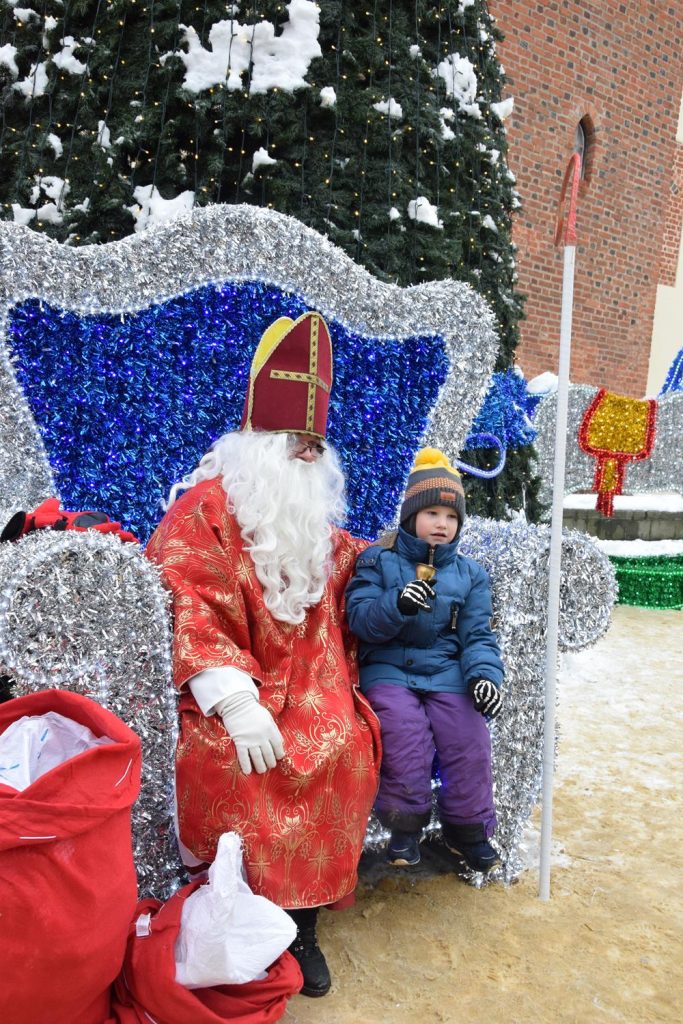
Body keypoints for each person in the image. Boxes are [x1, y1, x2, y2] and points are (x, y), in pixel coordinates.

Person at [146, 311, 381, 998]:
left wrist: (406, 560)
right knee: (240, 761)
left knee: (344, 742)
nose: (308, 454)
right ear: (256, 441)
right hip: (231, 690)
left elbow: (349, 565)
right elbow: (187, 596)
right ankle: (236, 917)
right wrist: (234, 699)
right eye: (294, 441)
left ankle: (302, 923)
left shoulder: (308, 522)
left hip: (314, 686)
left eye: (316, 443)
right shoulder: (204, 510)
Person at [345, 447, 504, 874]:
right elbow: (360, 620)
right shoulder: (378, 560)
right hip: (390, 669)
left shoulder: (470, 574)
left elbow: (477, 635)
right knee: (404, 732)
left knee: (468, 735)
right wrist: (397, 604)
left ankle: (467, 830)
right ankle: (405, 825)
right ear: (411, 515)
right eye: (432, 512)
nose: (441, 523)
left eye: (451, 517)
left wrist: (484, 677)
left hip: (446, 671)